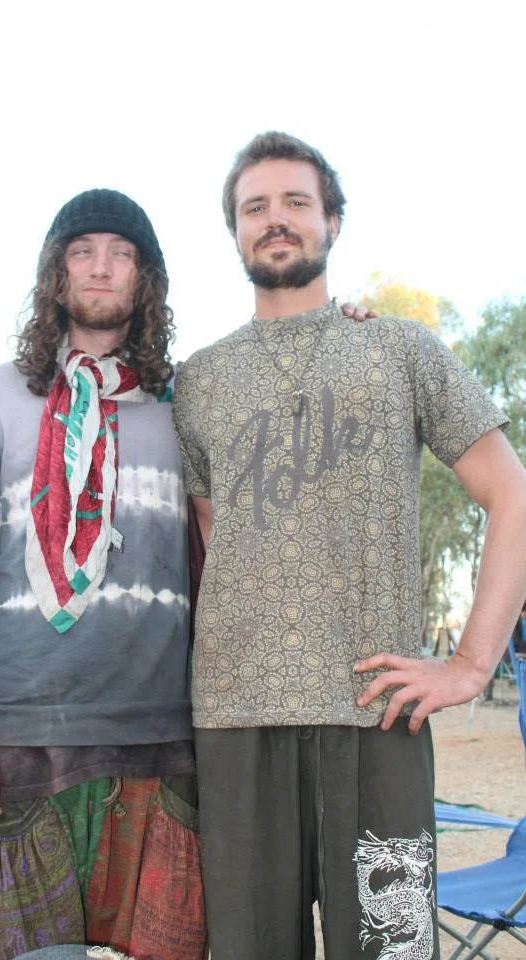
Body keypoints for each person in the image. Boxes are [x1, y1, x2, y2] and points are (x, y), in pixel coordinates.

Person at [172, 131, 526, 960]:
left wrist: (472, 662)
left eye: (297, 202)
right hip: (236, 726)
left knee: (394, 952)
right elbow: (215, 545)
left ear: (333, 220)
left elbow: (512, 493)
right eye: (254, 207)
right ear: (233, 232)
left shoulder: (400, 350)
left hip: (379, 721)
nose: (276, 220)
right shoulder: (198, 382)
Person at [0, 189, 207, 960]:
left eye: (122, 254)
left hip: (162, 739)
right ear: (55, 275)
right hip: (22, 741)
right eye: (83, 252)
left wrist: (347, 320)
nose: (102, 268)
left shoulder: (190, 403)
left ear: (147, 280)